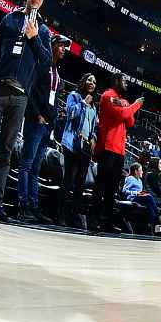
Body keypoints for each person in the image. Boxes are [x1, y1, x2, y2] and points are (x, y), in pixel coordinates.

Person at [0, 0, 51, 221]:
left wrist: (34, 38)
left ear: (43, 0)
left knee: (5, 152)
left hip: (20, 98)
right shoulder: (10, 18)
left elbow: (46, 63)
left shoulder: (44, 31)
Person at [17, 34, 67, 223]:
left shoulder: (57, 70)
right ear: (52, 46)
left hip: (48, 126)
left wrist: (52, 121)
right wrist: (37, 114)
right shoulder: (41, 65)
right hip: (35, 121)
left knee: (36, 168)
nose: (63, 50)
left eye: (64, 47)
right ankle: (23, 206)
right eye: (61, 46)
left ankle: (34, 206)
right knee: (26, 164)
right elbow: (30, 90)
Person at [89, 73, 143, 232]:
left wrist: (127, 106)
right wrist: (135, 105)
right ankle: (94, 219)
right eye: (124, 80)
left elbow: (130, 122)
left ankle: (107, 221)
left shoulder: (122, 100)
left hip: (119, 149)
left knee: (112, 188)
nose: (126, 83)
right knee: (101, 185)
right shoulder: (108, 95)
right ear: (116, 81)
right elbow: (122, 114)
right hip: (107, 147)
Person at [57, 72, 98, 228]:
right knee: (69, 179)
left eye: (94, 82)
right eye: (89, 80)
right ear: (83, 81)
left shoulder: (94, 105)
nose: (92, 83)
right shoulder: (74, 96)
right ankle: (60, 214)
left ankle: (74, 215)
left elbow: (93, 125)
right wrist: (82, 103)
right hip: (72, 144)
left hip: (85, 146)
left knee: (80, 182)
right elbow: (70, 114)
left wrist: (93, 137)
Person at [122, 162, 161, 237]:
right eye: (141, 170)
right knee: (149, 196)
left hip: (141, 197)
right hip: (132, 197)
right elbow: (124, 190)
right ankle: (159, 216)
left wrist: (142, 192)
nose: (142, 172)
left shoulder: (140, 180)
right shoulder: (130, 178)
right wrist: (136, 193)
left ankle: (154, 229)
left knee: (150, 207)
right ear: (136, 171)